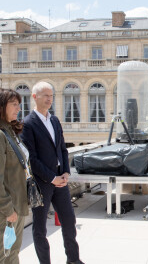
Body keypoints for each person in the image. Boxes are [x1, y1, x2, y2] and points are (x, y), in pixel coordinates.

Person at [21, 82, 84, 264]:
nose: (49, 99)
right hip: (42, 183)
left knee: (69, 221)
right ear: (34, 97)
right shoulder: (27, 124)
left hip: (60, 180)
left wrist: (65, 172)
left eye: (51, 95)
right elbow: (31, 159)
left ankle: (73, 260)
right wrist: (52, 178)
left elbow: (62, 149)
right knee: (40, 228)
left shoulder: (54, 120)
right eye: (45, 95)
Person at [0, 88, 29, 263]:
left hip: (17, 206)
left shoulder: (9, 131)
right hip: (8, 210)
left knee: (13, 253)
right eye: (14, 104)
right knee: (6, 256)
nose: (19, 108)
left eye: (19, 104)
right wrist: (8, 209)